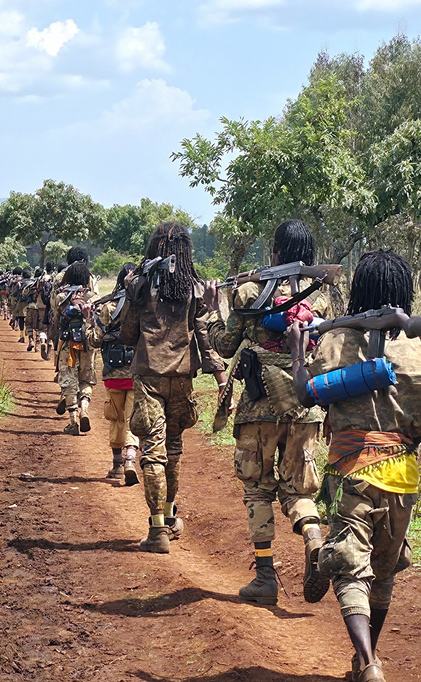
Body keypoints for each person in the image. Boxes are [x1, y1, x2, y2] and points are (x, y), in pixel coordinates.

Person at [287, 249, 421, 682]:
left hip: (351, 469)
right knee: (384, 571)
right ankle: (362, 663)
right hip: (404, 475)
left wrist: (299, 353)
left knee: (349, 568)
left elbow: (305, 394)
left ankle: (368, 662)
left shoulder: (335, 339)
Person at [204, 219, 330, 606]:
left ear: (275, 251)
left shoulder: (248, 291)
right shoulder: (320, 295)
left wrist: (212, 311)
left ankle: (264, 576)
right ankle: (312, 538)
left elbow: (225, 346)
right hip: (304, 404)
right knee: (298, 488)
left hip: (258, 407)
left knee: (257, 487)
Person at [122, 222, 228, 553]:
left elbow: (127, 335)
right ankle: (169, 517)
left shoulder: (140, 288)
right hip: (183, 379)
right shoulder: (195, 289)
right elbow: (204, 336)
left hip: (150, 377)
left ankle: (157, 531)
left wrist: (130, 294)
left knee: (152, 450)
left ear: (153, 249)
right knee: (175, 448)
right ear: (187, 252)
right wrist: (221, 378)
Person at [89, 262, 140, 486]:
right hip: (138, 372)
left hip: (113, 373)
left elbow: (94, 340)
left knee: (115, 417)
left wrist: (89, 321)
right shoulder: (141, 306)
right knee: (132, 418)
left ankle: (117, 465)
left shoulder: (107, 307)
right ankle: (131, 459)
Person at [55, 261, 97, 436]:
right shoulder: (93, 296)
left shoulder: (61, 296)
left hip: (67, 343)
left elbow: (56, 317)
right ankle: (84, 409)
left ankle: (73, 421)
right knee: (86, 378)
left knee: (69, 379)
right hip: (88, 342)